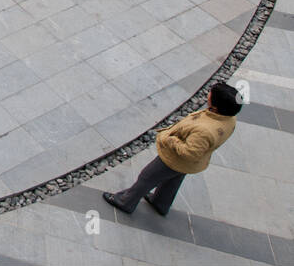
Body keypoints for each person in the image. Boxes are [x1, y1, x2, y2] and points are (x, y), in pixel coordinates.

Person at [103, 83, 242, 216]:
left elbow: (189, 153)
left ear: (216, 107)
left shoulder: (205, 131)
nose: (208, 95)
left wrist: (170, 139)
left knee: (147, 177)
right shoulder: (229, 119)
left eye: (210, 95)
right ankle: (160, 203)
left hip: (174, 160)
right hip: (190, 165)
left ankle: (125, 202)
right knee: (172, 181)